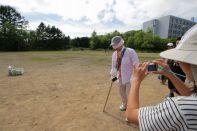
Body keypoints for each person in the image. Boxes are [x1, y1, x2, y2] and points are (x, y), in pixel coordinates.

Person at [126, 24, 197, 130]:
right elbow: (191, 96)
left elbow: (131, 115)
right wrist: (169, 73)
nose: (177, 61)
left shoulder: (180, 108)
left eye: (180, 58)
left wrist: (135, 80)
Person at [110, 36, 139, 111]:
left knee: (129, 94)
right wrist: (112, 75)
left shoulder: (130, 51)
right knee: (122, 92)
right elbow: (113, 66)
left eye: (115, 45)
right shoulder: (114, 54)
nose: (114, 47)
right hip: (119, 77)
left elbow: (136, 64)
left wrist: (136, 76)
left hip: (130, 77)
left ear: (120, 43)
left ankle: (130, 108)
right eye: (113, 45)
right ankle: (124, 104)